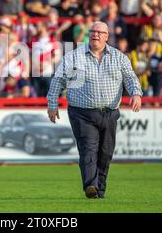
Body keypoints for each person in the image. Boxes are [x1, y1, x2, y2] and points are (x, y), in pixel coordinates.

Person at [47, 21, 142, 199]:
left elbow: (130, 78)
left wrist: (136, 94)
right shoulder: (73, 57)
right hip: (82, 113)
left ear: (107, 36)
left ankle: (100, 188)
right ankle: (90, 186)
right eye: (92, 31)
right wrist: (52, 104)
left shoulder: (119, 57)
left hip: (109, 113)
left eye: (100, 32)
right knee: (88, 149)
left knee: (105, 153)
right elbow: (58, 80)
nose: (95, 35)